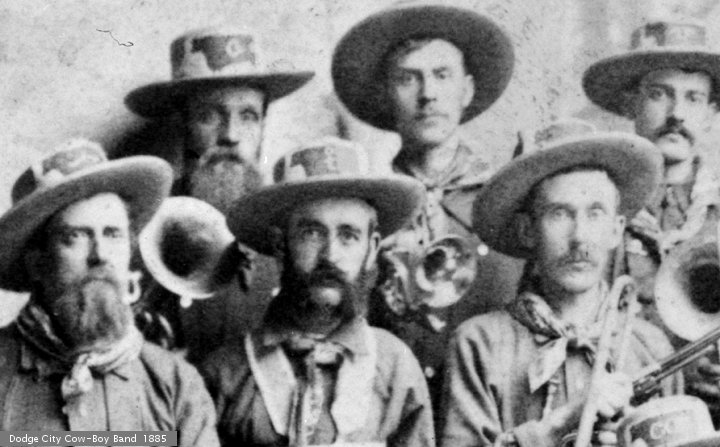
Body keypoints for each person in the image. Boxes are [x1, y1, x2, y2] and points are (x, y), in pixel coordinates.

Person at [331, 0, 523, 412]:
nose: (428, 95)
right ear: (386, 94)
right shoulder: (366, 207)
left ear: (466, 90)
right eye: (408, 79)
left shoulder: (505, 202)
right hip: (389, 415)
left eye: (442, 75)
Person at [440, 122, 683, 447]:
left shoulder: (651, 347)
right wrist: (563, 422)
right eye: (559, 214)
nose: (579, 237)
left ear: (616, 230)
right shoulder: (479, 344)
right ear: (528, 231)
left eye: (595, 214)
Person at [200, 137, 434, 446]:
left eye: (349, 235)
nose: (330, 255)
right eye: (311, 233)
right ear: (280, 244)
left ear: (372, 248)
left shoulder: (396, 367)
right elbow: (150, 439)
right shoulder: (225, 372)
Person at [0, 139, 219, 445]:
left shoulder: (176, 384)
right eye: (75, 236)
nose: (100, 255)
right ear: (37, 263)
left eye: (113, 234)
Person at [125, 27, 314, 361]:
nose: (231, 135)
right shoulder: (141, 224)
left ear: (263, 126)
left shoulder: (291, 226)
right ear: (183, 123)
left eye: (248, 116)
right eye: (209, 115)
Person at [583, 20, 720, 420]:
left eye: (694, 98)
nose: (677, 114)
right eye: (659, 94)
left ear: (711, 113)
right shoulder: (595, 207)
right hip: (615, 414)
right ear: (631, 103)